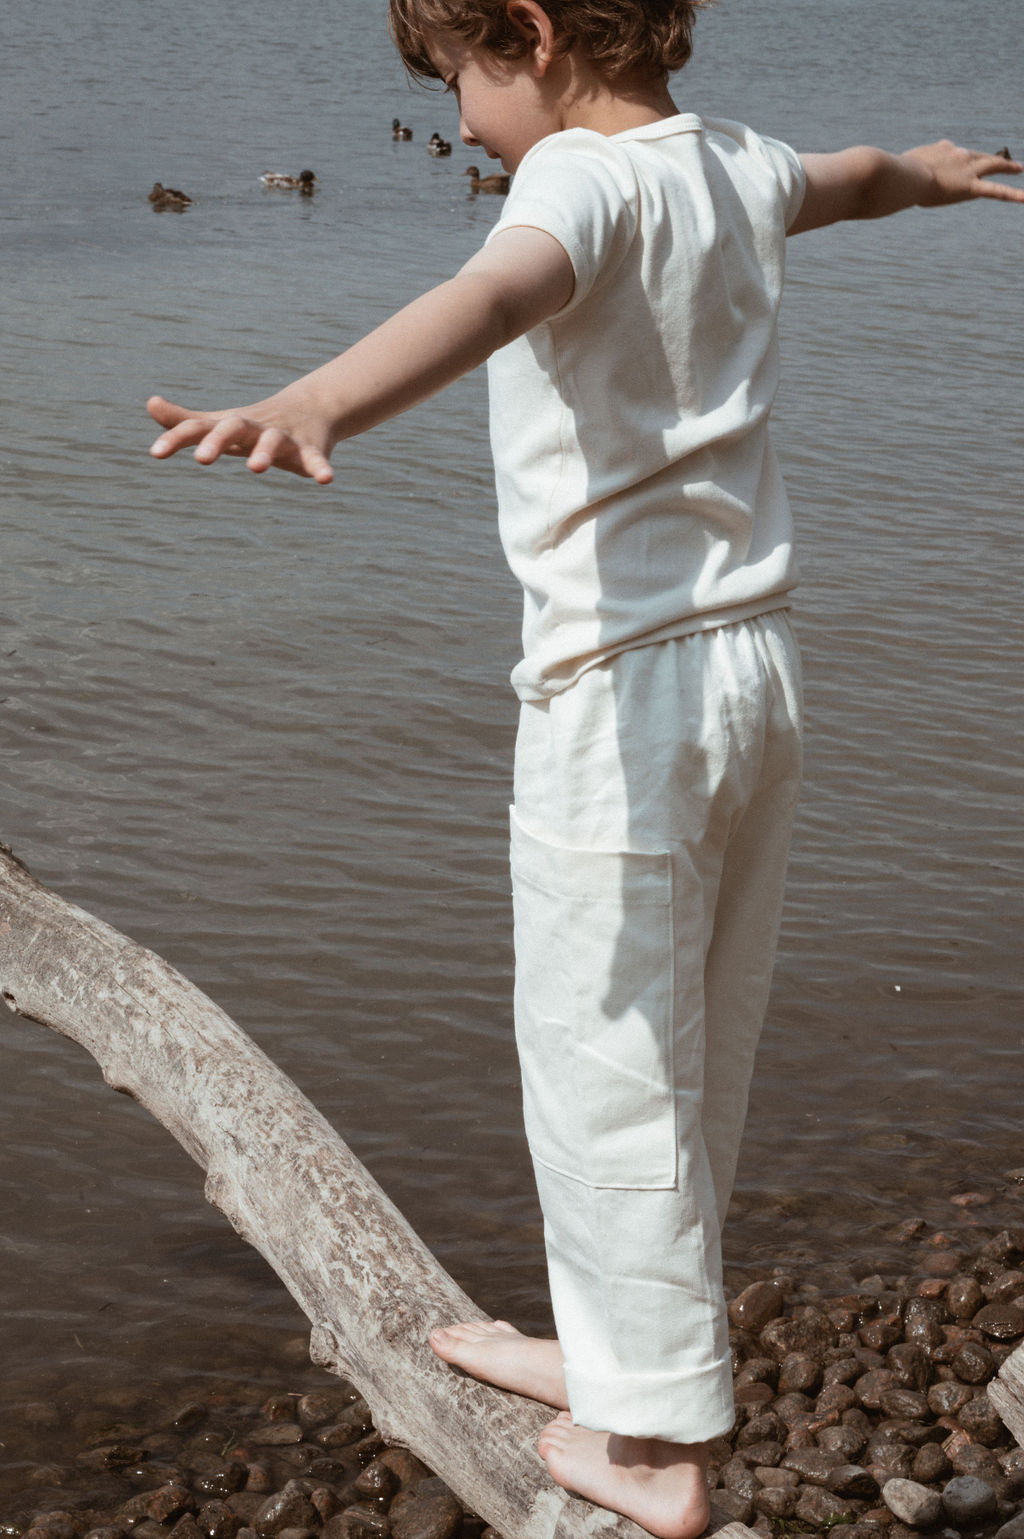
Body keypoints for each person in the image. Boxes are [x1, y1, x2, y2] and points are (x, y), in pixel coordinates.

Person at [147, 2, 1022, 1533]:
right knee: (690, 1035)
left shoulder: (575, 184)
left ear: (532, 36)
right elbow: (856, 173)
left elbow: (487, 299)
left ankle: (658, 1451)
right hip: (757, 671)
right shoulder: (736, 159)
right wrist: (934, 175)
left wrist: (315, 402)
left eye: (458, 84)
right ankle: (624, 1357)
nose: (467, 121)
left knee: (598, 1054)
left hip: (619, 706)